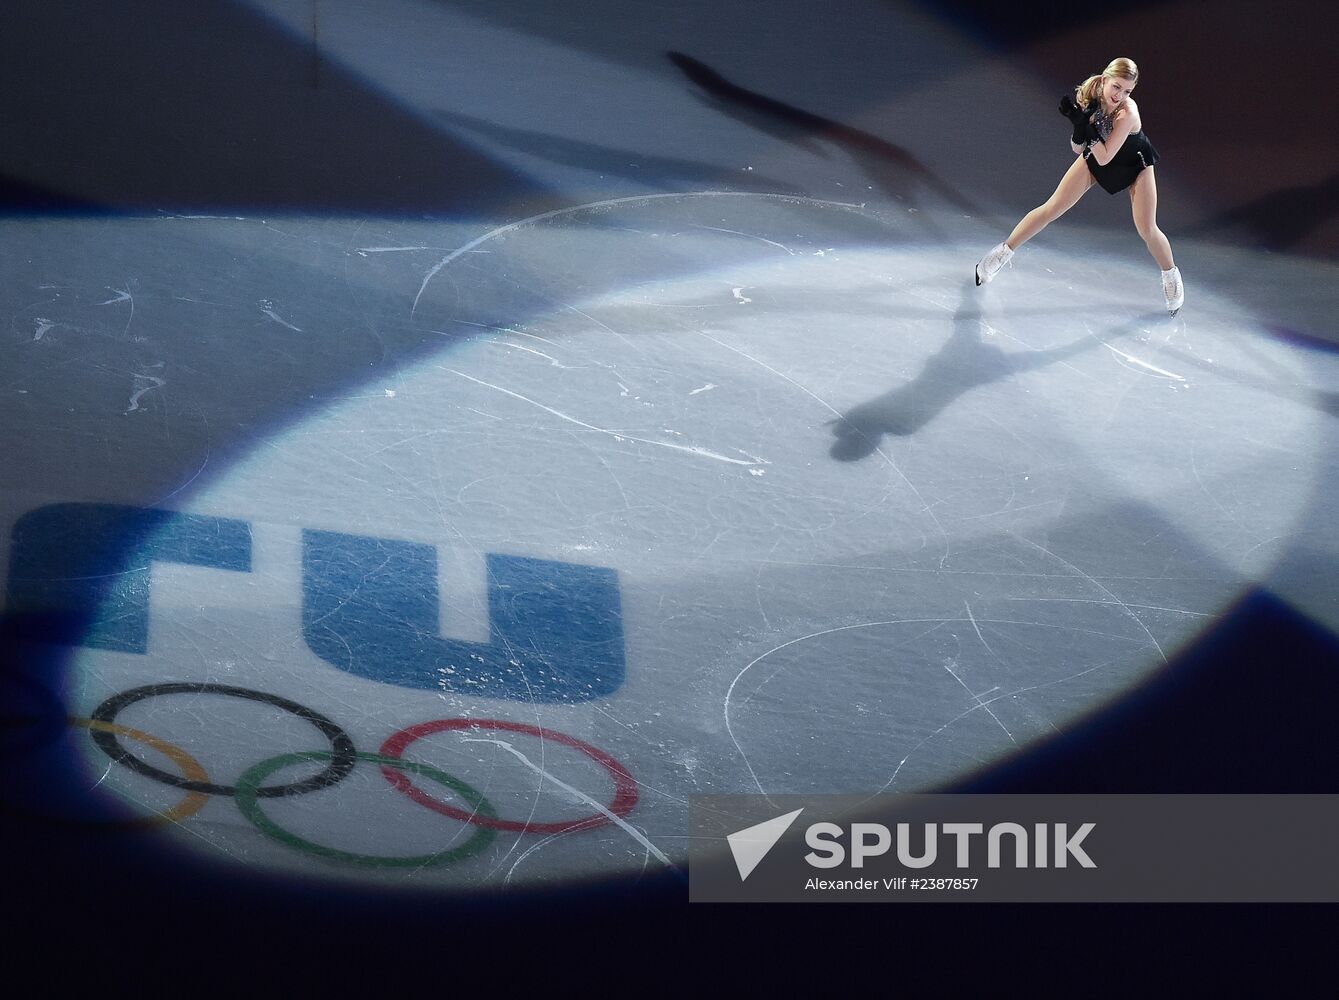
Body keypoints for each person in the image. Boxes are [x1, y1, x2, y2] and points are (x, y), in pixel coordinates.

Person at [974, 57, 1183, 316]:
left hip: (1134, 163)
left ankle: (1170, 275)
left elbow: (1107, 156)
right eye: (1117, 87)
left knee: (1147, 229)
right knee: (1052, 208)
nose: (1120, 95)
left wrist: (1089, 131)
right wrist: (1078, 127)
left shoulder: (1128, 113)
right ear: (1105, 79)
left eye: (1127, 91)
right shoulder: (1091, 94)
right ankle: (1001, 255)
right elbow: (1078, 149)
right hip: (1098, 154)